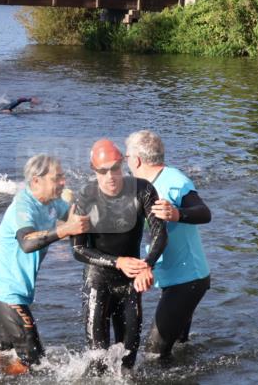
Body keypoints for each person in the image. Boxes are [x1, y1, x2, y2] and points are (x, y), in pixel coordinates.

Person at [0, 155, 89, 374]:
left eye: (63, 177)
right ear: (36, 181)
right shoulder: (23, 207)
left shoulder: (51, 202)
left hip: (15, 291)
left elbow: (72, 210)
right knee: (35, 361)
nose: (63, 182)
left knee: (4, 354)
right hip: (5, 293)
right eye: (57, 178)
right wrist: (65, 229)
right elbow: (27, 242)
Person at [71, 139, 167, 372]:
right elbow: (78, 249)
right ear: (94, 170)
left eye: (115, 168)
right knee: (98, 360)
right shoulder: (86, 196)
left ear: (123, 164)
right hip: (97, 280)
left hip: (130, 280)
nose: (110, 176)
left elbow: (160, 234)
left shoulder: (143, 189)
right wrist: (117, 262)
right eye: (103, 171)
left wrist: (147, 266)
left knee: (128, 358)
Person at [125, 130, 211, 359]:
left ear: (137, 160)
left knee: (154, 353)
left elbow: (204, 212)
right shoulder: (143, 186)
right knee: (179, 348)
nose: (126, 162)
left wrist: (177, 214)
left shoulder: (174, 179)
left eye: (126, 157)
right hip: (174, 278)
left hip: (188, 279)